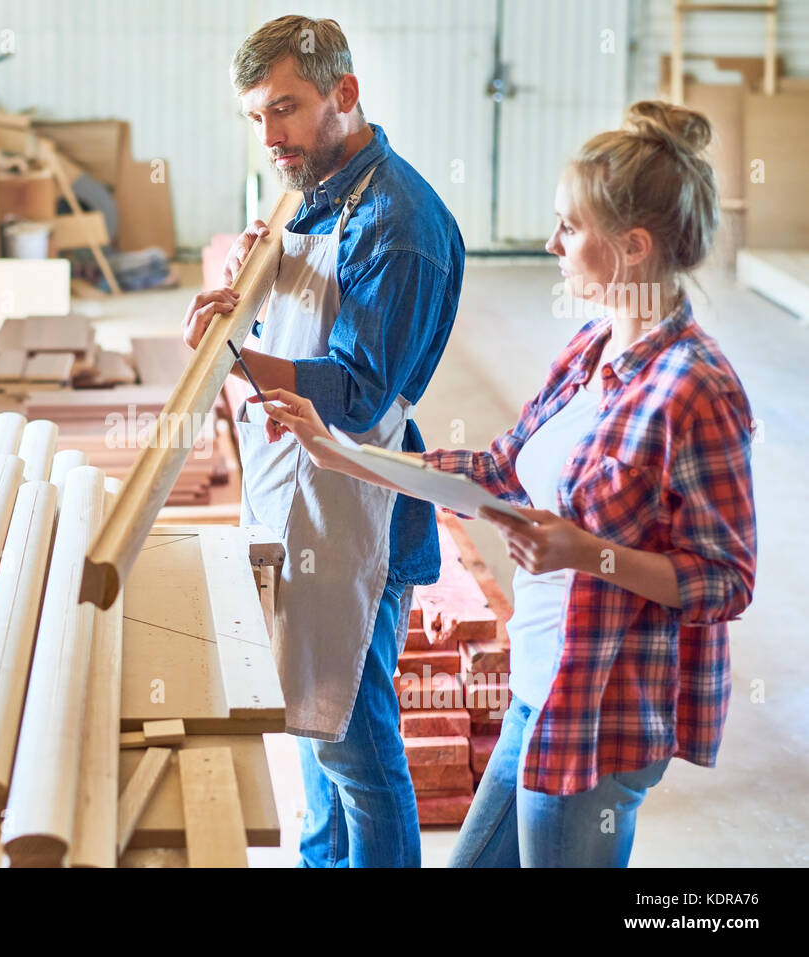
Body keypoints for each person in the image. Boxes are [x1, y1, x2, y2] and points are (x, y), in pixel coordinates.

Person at [251, 100, 758, 867]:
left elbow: (725, 581)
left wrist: (588, 554)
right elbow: (496, 472)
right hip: (538, 691)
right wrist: (338, 452)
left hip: (600, 714)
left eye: (569, 227)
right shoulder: (589, 350)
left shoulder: (697, 389)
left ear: (633, 247)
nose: (550, 243)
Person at [182, 16, 464, 867]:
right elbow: (292, 308)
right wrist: (243, 298)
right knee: (306, 718)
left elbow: (357, 391)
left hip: (354, 518)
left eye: (286, 110)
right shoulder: (315, 185)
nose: (271, 138)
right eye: (257, 119)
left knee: (355, 744)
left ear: (345, 94)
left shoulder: (397, 224)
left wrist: (238, 358)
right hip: (294, 500)